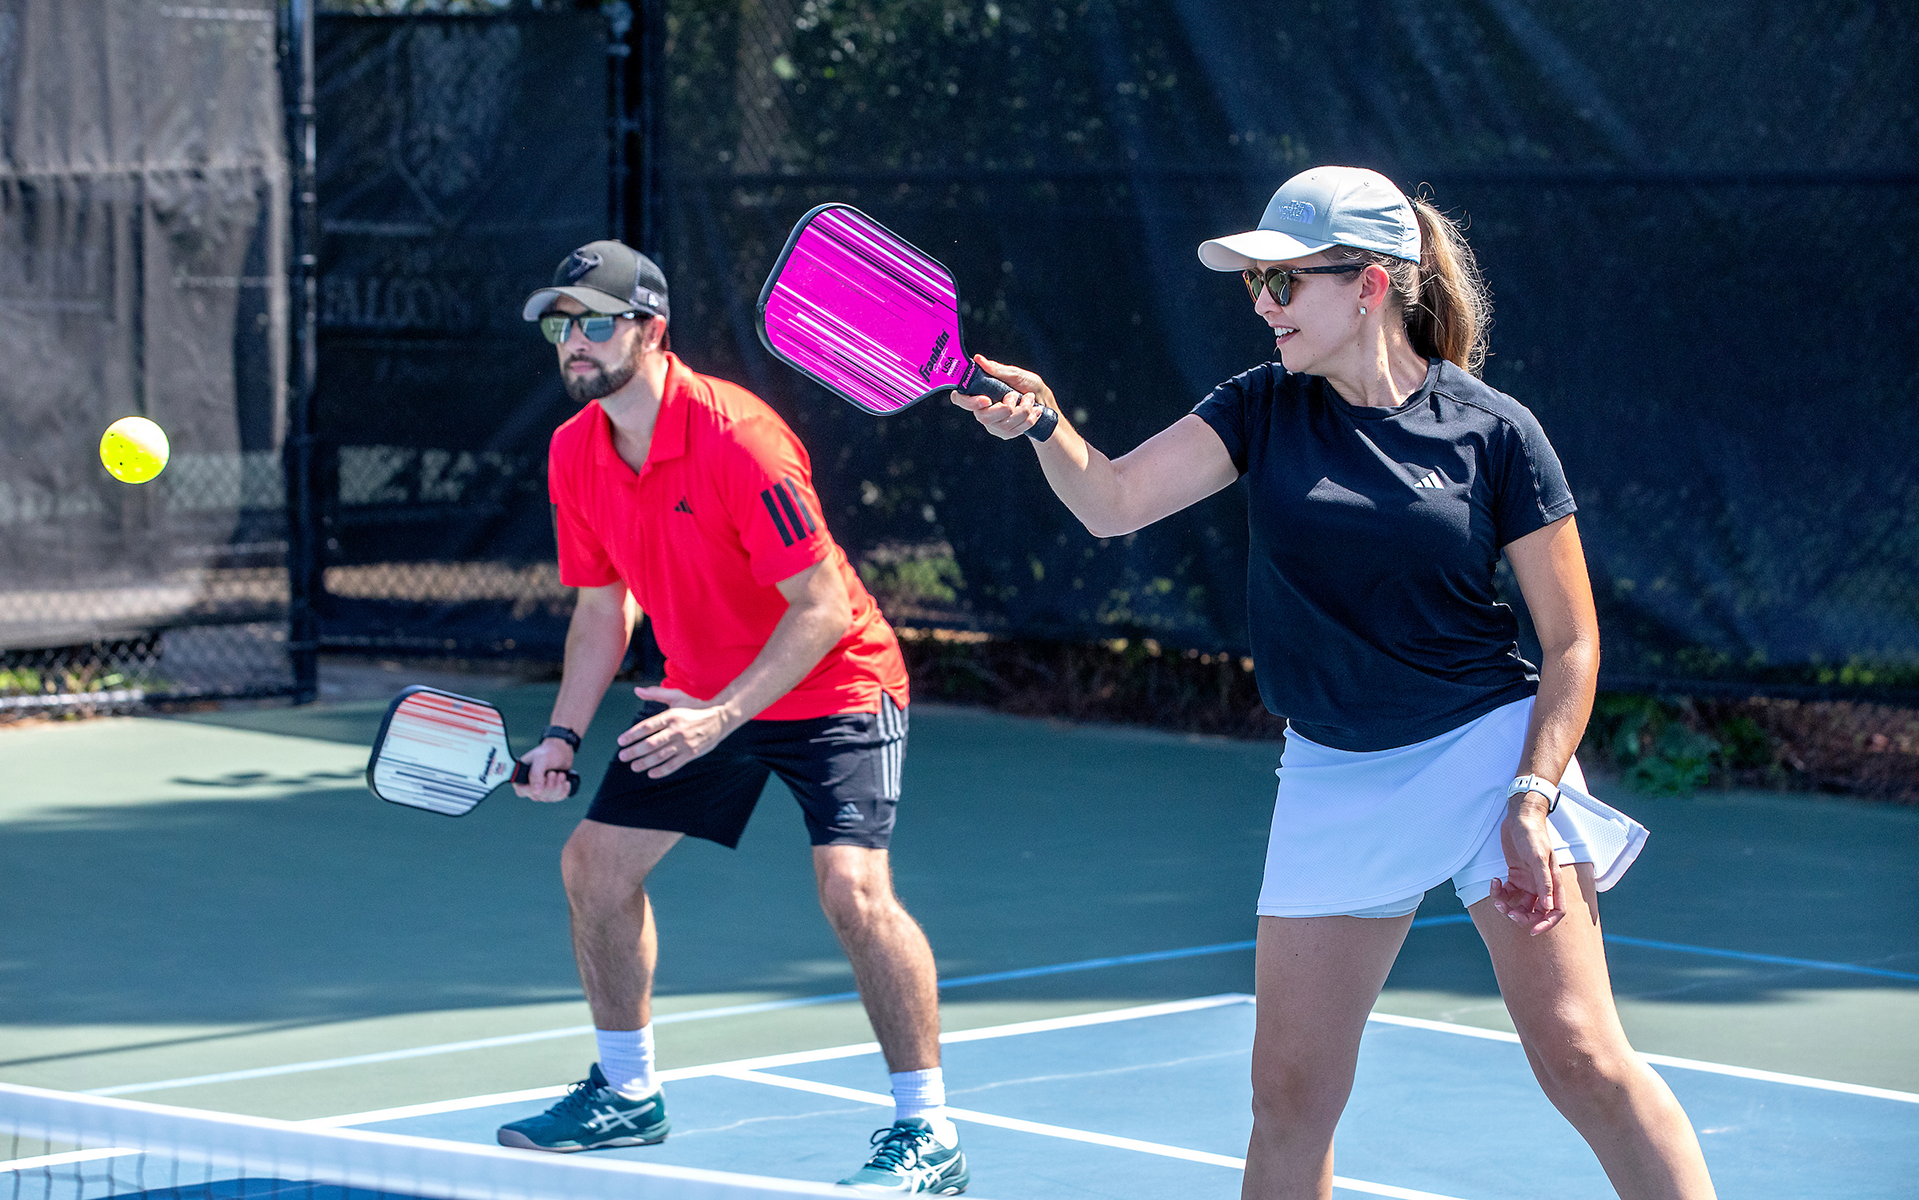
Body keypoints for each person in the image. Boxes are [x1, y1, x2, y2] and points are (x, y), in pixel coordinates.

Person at [953, 168, 1717, 1199]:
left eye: (1284, 282)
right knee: (1289, 1103)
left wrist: (1533, 797)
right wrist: (1047, 425)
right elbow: (1115, 501)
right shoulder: (1259, 407)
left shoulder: (1495, 432)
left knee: (1582, 1057)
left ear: (1369, 285)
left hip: (1488, 756)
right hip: (1335, 773)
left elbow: (1572, 642)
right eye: (1255, 284)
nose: (1263, 305)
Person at [498, 240, 969, 1195]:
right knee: (595, 866)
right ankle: (627, 1094)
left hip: (834, 682)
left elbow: (821, 607)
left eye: (596, 323)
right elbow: (602, 609)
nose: (575, 343)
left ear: (651, 331)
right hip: (702, 691)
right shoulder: (574, 450)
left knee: (852, 891)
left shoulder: (739, 438)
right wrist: (561, 735)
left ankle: (929, 1132)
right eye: (562, 326)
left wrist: (720, 717)